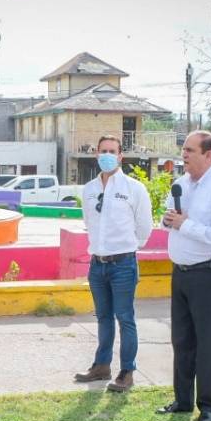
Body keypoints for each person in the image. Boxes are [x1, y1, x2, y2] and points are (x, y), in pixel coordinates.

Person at [157, 130, 211, 421]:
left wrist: (184, 224)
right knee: (182, 340)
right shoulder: (180, 184)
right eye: (183, 149)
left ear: (209, 155)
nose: (184, 155)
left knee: (208, 343)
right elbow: (168, 221)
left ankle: (208, 407)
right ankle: (182, 400)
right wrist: (169, 221)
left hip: (210, 274)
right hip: (181, 272)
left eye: (190, 150)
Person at [74, 134, 152, 392]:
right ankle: (101, 366)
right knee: (103, 317)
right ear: (96, 154)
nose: (107, 154)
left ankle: (127, 372)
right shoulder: (89, 189)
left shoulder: (134, 188)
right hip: (97, 265)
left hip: (123, 265)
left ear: (120, 156)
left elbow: (144, 227)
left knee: (125, 318)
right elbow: (89, 222)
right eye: (102, 150)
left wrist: (127, 248)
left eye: (112, 151)